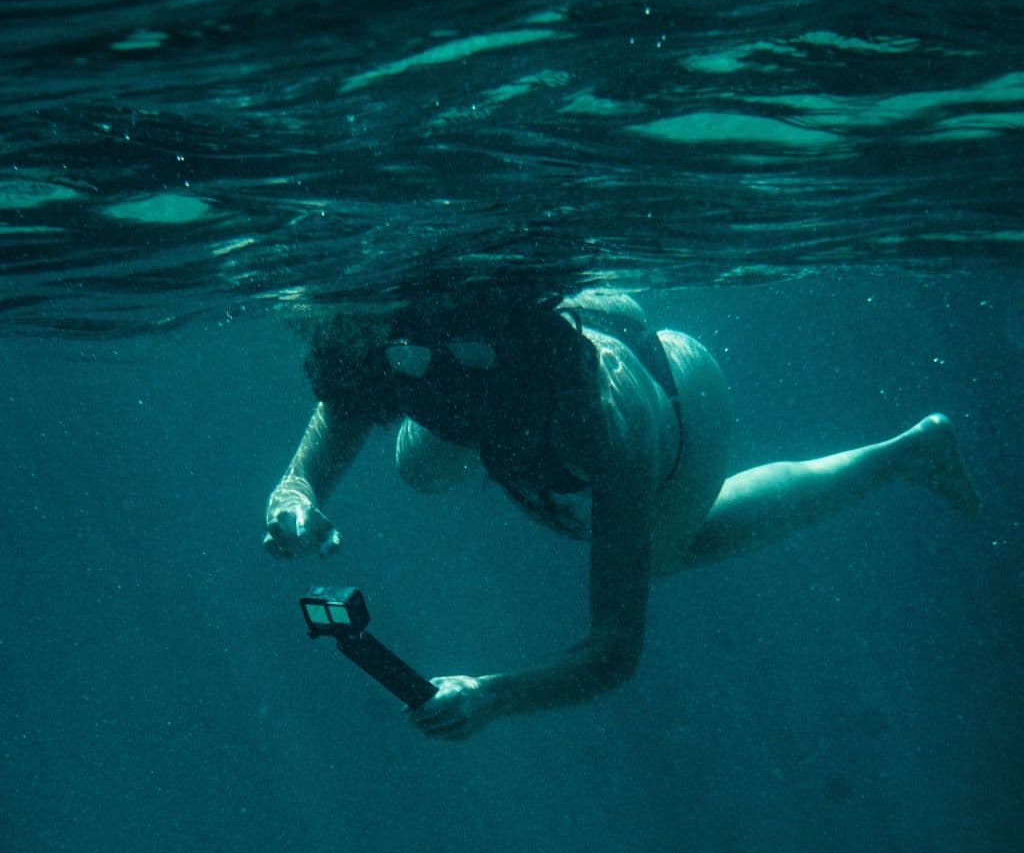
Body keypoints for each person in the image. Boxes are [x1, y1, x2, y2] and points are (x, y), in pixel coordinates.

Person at [264, 288, 978, 740]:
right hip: (563, 370)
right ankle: (908, 454)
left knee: (665, 556)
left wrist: (491, 697)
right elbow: (346, 404)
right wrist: (295, 498)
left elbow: (613, 652)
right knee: (415, 464)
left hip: (681, 402)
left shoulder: (599, 423)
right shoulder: (424, 356)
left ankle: (907, 453)